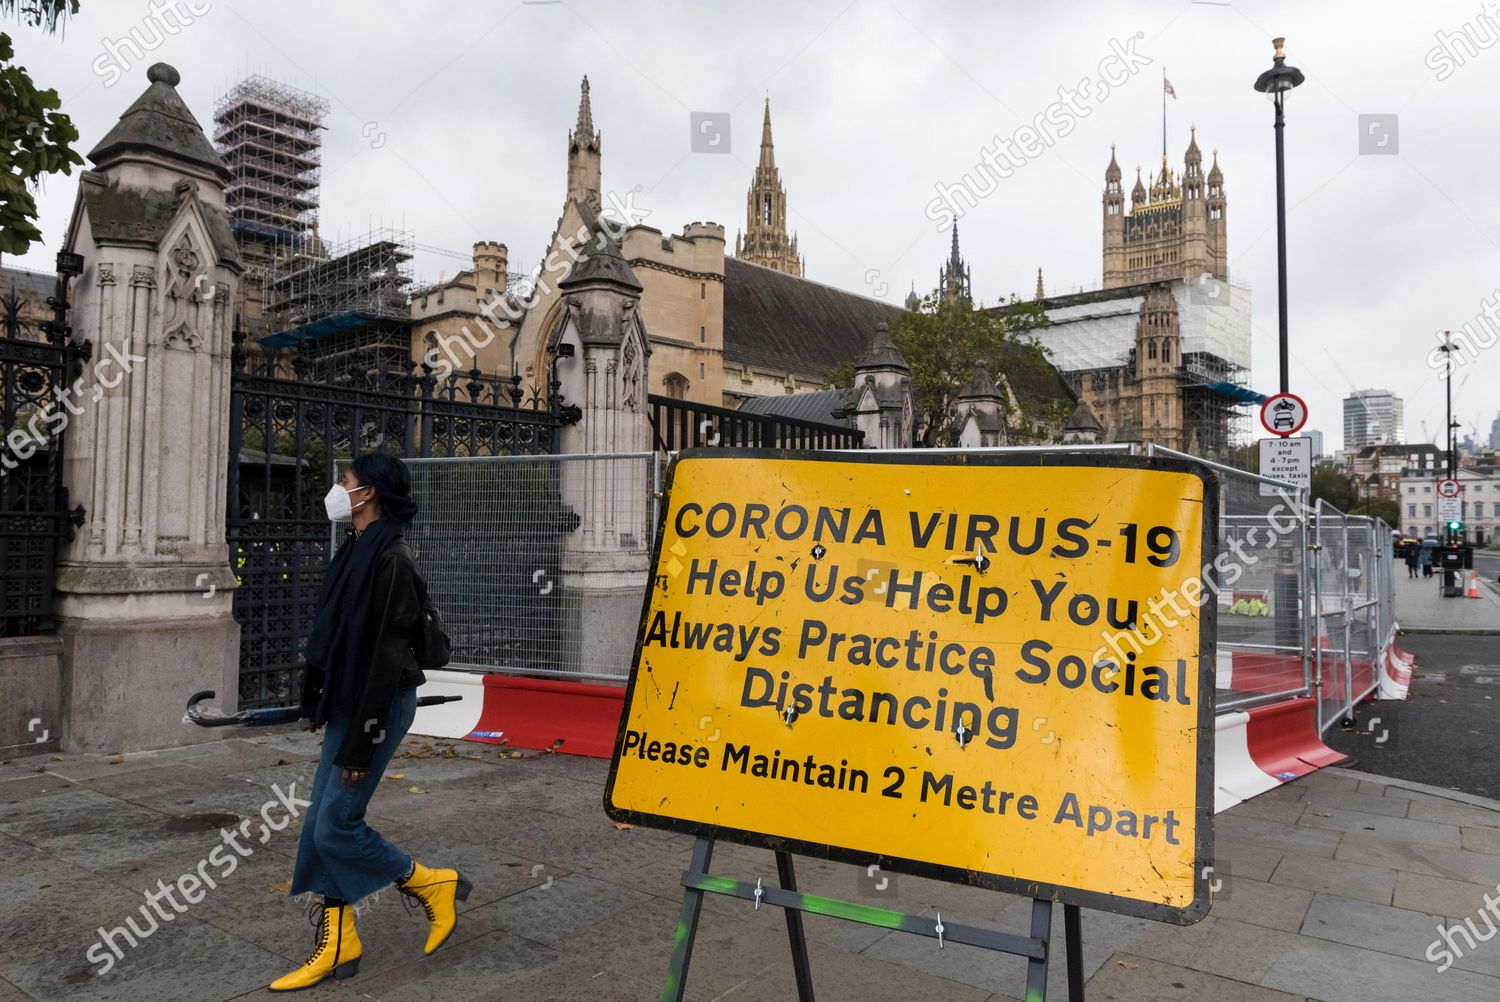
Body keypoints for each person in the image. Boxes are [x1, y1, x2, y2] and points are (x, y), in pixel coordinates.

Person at [270, 453, 470, 992]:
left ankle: (431, 883)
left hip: (378, 707)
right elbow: (342, 642)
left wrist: (361, 742)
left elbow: (383, 658)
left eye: (347, 481)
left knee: (338, 824)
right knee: (320, 825)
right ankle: (339, 941)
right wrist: (324, 702)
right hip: (351, 702)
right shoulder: (359, 548)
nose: (338, 489)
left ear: (371, 493)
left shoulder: (391, 560)